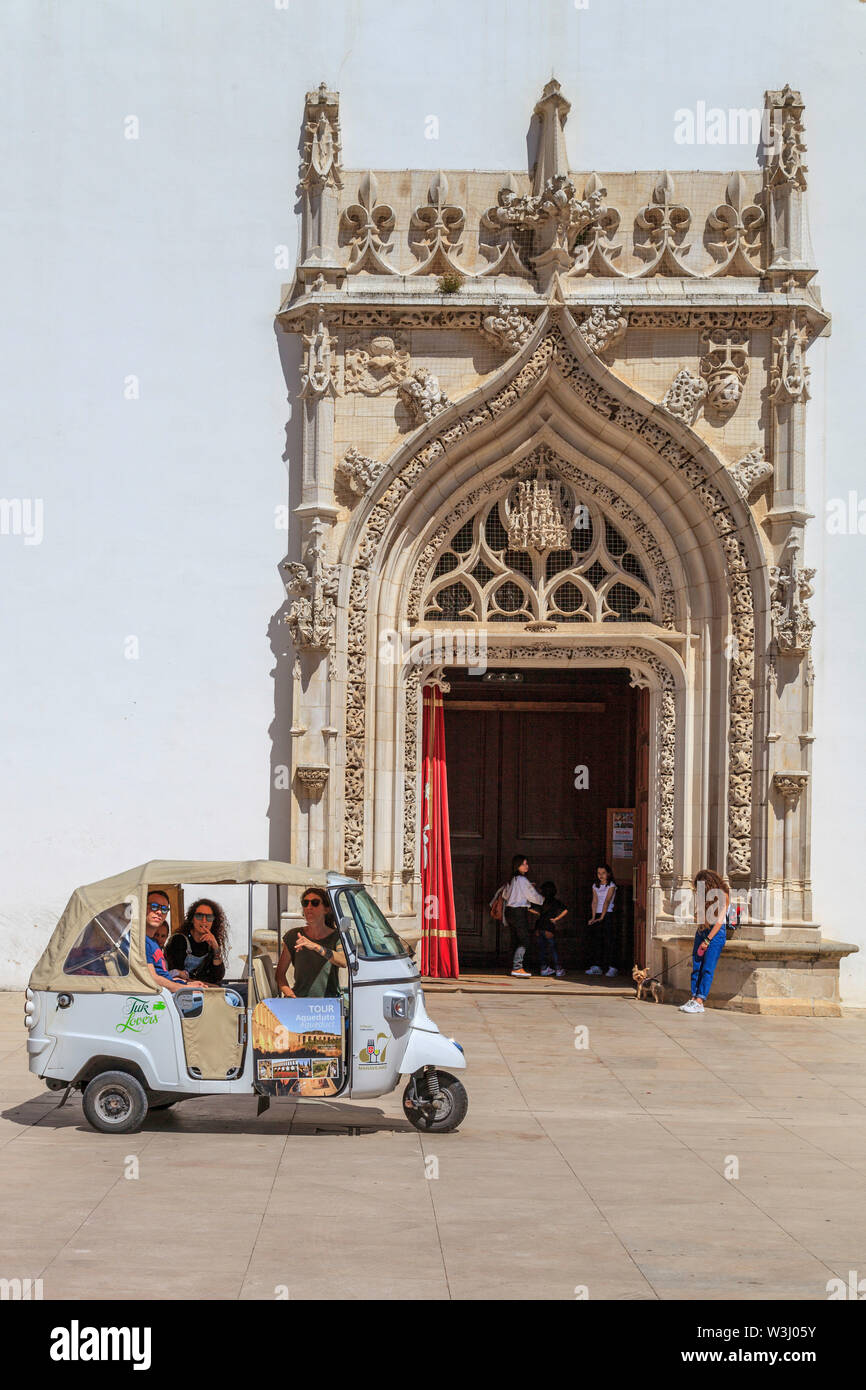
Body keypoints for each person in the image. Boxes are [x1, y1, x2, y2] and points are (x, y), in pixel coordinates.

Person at [276, 887, 347, 998]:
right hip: (301, 1002)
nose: (309, 907)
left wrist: (316, 947)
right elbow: (279, 975)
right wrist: (290, 995)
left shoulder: (336, 936)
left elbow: (343, 961)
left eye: (315, 903)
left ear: (326, 909)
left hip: (328, 1004)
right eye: (305, 903)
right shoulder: (293, 936)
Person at [680, 868, 729, 1014]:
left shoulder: (723, 895)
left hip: (715, 934)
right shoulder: (705, 896)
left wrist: (707, 940)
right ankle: (694, 997)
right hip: (702, 930)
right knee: (696, 964)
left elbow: (720, 921)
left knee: (707, 967)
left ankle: (700, 1000)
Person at [494, 855, 544, 978]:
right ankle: (517, 967)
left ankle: (513, 965)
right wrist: (543, 900)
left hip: (510, 912)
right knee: (525, 940)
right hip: (518, 913)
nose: (526, 866)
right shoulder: (522, 880)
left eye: (527, 863)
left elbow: (505, 895)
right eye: (523, 864)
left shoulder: (512, 880)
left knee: (515, 939)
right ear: (517, 866)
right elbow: (533, 897)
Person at [165, 898, 228, 985]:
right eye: (199, 916)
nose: (204, 920)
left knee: (244, 990)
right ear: (192, 919)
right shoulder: (179, 940)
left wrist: (216, 948)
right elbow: (176, 974)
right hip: (183, 989)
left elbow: (217, 976)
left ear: (213, 921)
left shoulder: (210, 942)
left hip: (205, 988)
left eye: (209, 917)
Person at [144, 890, 196, 993]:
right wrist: (186, 988)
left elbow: (163, 976)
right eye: (154, 906)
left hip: (171, 992)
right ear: (142, 907)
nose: (159, 912)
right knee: (230, 999)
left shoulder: (153, 943)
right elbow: (151, 978)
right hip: (163, 999)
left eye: (164, 909)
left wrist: (187, 984)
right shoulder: (140, 941)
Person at [585, 865, 618, 977]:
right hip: (598, 914)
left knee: (609, 941)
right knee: (597, 941)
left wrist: (602, 917)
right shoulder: (595, 885)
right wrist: (594, 917)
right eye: (599, 873)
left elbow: (607, 901)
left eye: (603, 873)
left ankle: (612, 967)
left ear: (608, 874)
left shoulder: (612, 885)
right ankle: (596, 967)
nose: (601, 875)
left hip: (608, 914)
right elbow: (594, 901)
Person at [530, 881, 567, 979]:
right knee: (553, 950)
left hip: (539, 926)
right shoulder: (555, 902)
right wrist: (556, 919)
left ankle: (544, 968)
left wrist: (538, 914)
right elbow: (565, 910)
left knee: (542, 949)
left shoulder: (540, 901)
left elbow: (529, 908)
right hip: (549, 927)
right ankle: (558, 969)